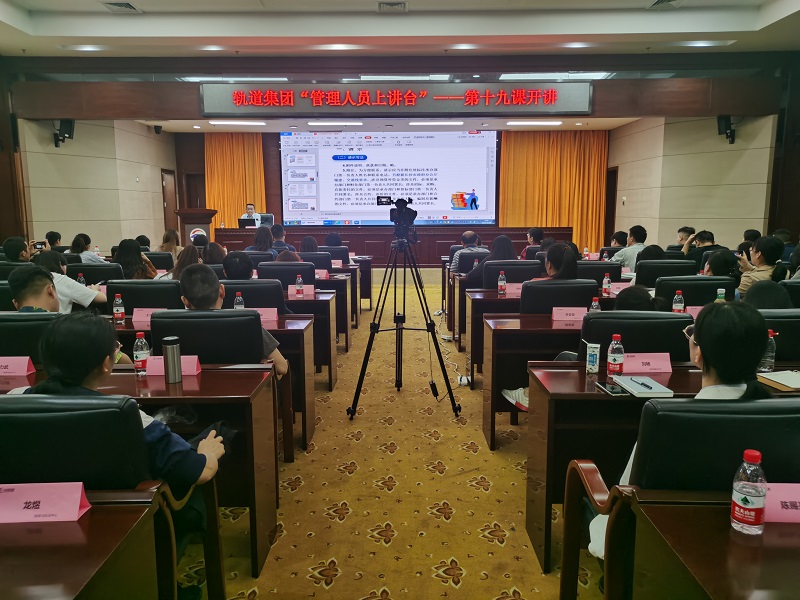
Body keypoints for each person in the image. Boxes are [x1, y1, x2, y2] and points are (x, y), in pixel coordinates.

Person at [13, 312, 220, 550]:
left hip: (21, 523)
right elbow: (200, 473)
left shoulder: (12, 402)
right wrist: (208, 453)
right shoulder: (123, 413)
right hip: (124, 527)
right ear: (106, 363)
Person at [588, 302, 771, 560]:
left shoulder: (665, 418)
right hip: (755, 542)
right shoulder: (780, 413)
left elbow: (626, 492)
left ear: (699, 355)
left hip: (659, 544)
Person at [179, 264, 288, 376]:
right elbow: (282, 368)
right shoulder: (246, 322)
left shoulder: (175, 327)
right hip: (245, 386)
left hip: (190, 387)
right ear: (222, 290)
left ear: (185, 301)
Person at [34, 250, 106, 313]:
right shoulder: (62, 279)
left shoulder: (32, 278)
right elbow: (102, 298)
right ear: (60, 264)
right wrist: (94, 289)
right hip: (59, 323)